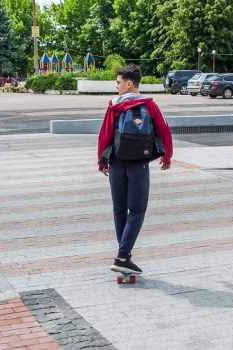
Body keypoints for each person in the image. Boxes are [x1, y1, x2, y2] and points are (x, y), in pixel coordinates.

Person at [97, 64, 173, 275]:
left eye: (119, 82)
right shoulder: (149, 105)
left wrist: (102, 161)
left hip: (117, 163)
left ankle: (125, 255)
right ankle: (123, 257)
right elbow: (165, 131)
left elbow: (104, 135)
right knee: (137, 211)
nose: (116, 86)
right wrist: (167, 157)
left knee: (119, 210)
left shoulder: (114, 106)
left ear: (129, 83)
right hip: (139, 164)